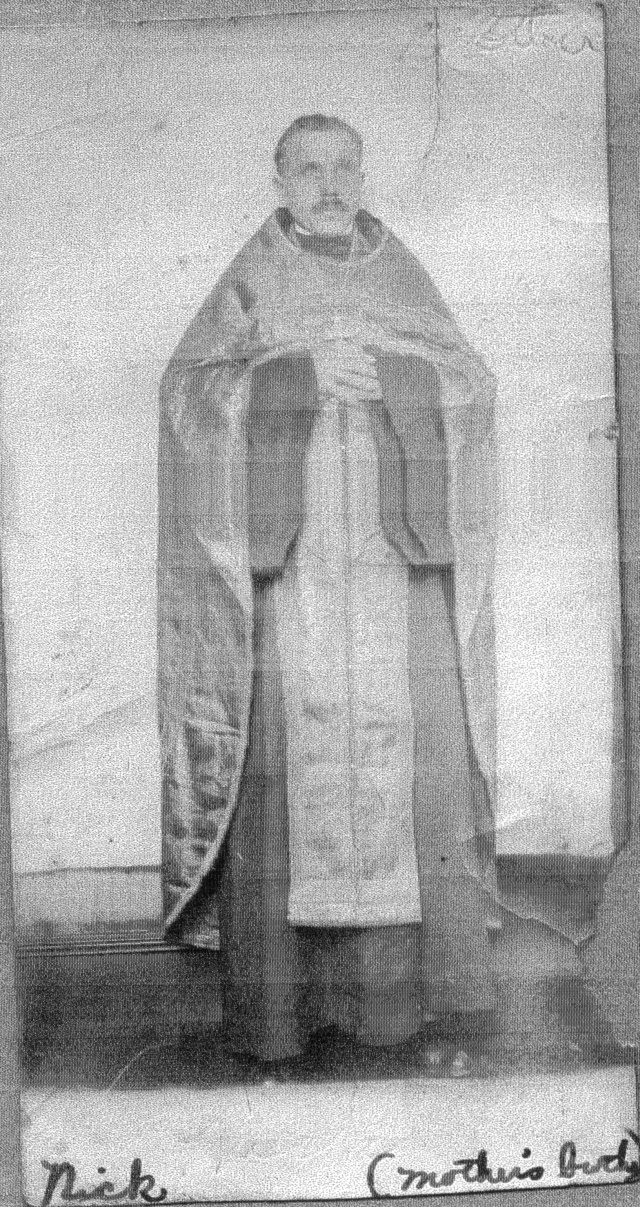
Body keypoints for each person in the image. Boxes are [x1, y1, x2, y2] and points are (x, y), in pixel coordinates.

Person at [157, 113, 499, 1080]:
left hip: (394, 563)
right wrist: (294, 380)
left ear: (362, 173)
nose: (329, 183)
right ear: (279, 179)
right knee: (281, 776)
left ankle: (418, 1012)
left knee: (415, 768)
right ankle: (280, 1021)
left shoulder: (400, 272)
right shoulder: (250, 277)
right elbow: (186, 398)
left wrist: (396, 379)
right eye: (309, 168)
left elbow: (473, 387)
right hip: (293, 564)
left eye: (344, 165)